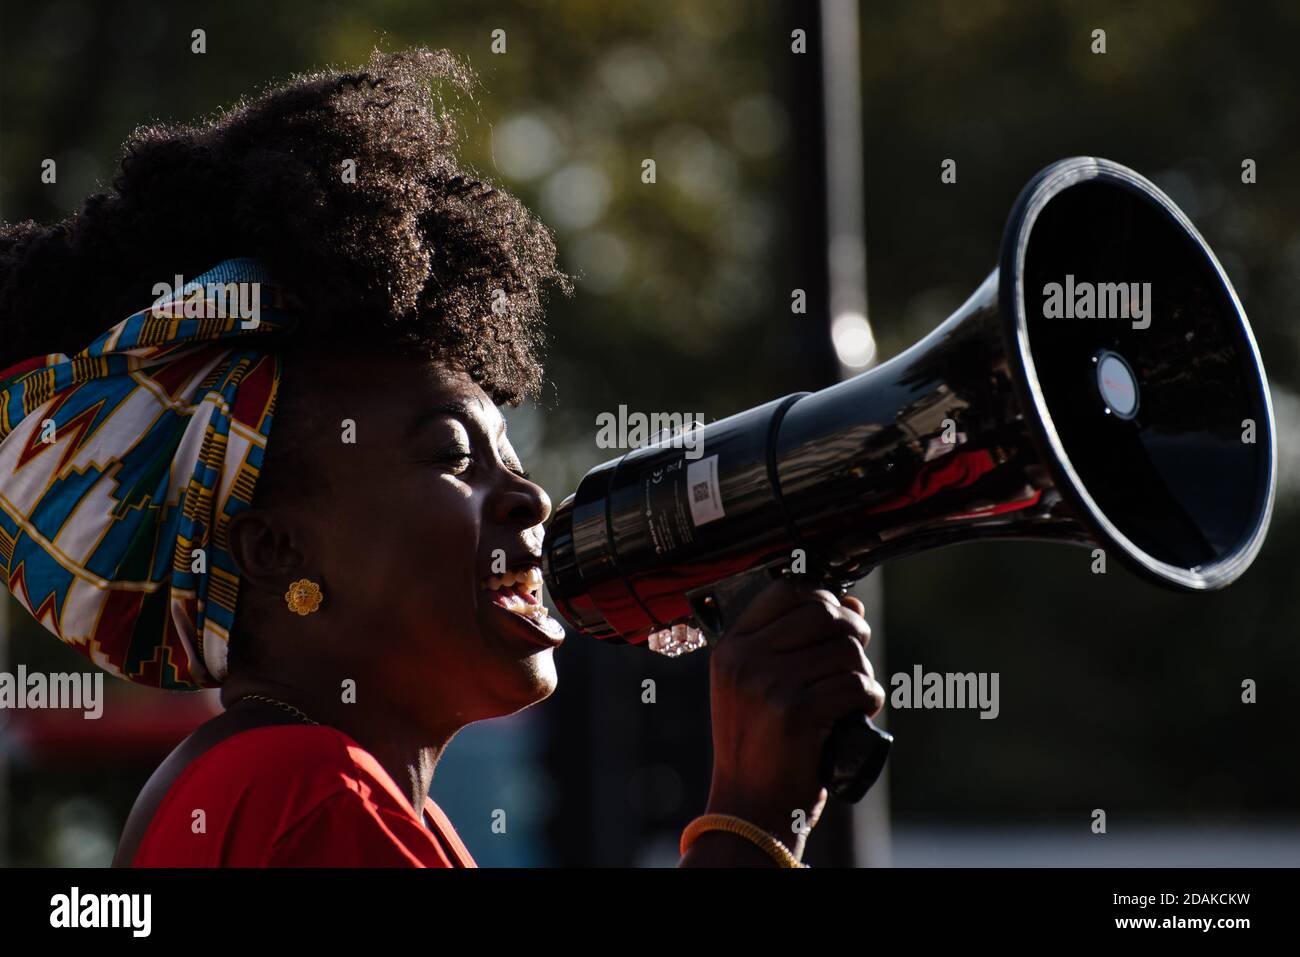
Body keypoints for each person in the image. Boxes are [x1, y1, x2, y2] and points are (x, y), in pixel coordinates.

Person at [0, 49, 885, 868]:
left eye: (511, 453)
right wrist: (754, 818)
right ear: (273, 551)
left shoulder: (345, 795)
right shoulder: (308, 793)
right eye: (454, 454)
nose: (531, 498)